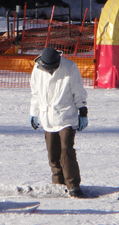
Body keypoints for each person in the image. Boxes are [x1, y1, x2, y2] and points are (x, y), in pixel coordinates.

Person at [29, 47, 88, 198]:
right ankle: (59, 184)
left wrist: (82, 110)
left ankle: (73, 185)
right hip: (47, 118)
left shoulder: (70, 67)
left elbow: (78, 90)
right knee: (53, 154)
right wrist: (34, 113)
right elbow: (35, 93)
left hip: (66, 117)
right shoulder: (37, 69)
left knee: (66, 150)